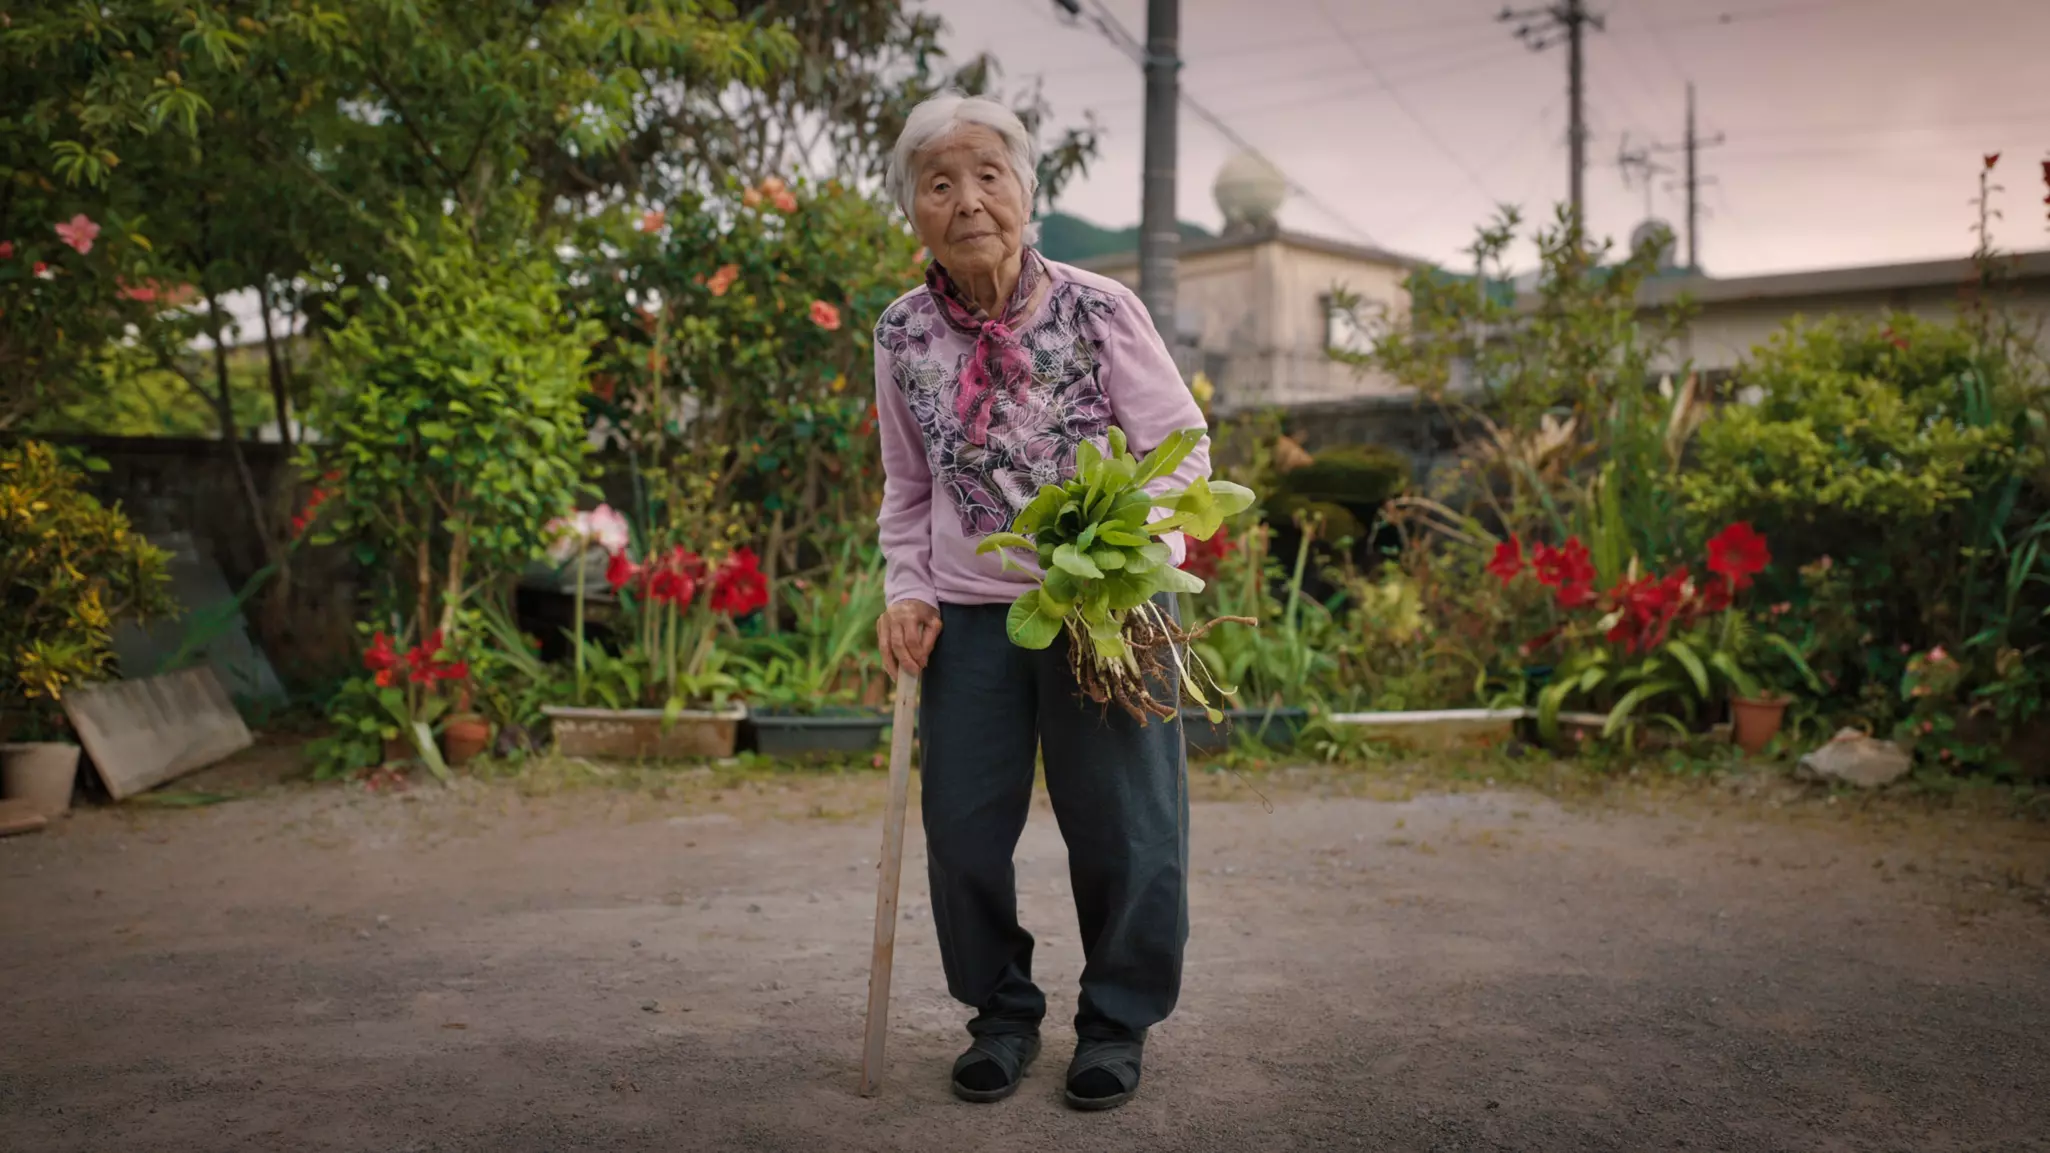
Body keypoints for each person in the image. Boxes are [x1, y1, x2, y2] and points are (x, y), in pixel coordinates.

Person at [870, 90, 1211, 1112]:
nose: (967, 199)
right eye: (939, 183)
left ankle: (1114, 1019)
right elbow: (908, 483)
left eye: (988, 174)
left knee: (1127, 829)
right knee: (964, 829)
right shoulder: (898, 335)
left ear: (1027, 190)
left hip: (1104, 609)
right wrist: (907, 584)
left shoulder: (1100, 309)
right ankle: (1002, 1015)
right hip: (972, 617)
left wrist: (1121, 555)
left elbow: (1176, 450)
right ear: (913, 210)